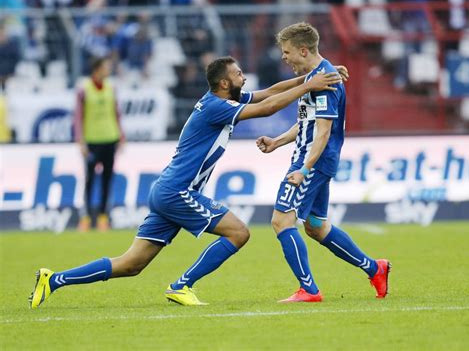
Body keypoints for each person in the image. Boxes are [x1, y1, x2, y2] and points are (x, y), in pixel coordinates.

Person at [29, 56, 343, 308]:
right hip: (178, 192)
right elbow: (266, 107)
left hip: (166, 190)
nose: (244, 78)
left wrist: (314, 77)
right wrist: (308, 86)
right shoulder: (217, 107)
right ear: (224, 83)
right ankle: (182, 286)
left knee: (131, 264)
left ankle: (54, 280)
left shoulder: (220, 100)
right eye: (239, 74)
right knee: (238, 232)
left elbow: (269, 92)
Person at [256, 22, 391, 303]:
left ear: (303, 50)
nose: (284, 58)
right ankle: (374, 268)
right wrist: (277, 142)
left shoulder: (325, 82)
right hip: (313, 160)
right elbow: (307, 123)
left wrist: (304, 170)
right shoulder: (316, 76)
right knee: (316, 226)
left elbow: (323, 132)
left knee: (282, 221)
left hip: (312, 163)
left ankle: (309, 290)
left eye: (287, 52)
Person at [74, 56, 125, 232]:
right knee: (89, 180)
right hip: (92, 141)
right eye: (105, 67)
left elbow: (116, 113)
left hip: (109, 138)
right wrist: (80, 141)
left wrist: (121, 136)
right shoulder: (84, 89)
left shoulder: (111, 88)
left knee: (106, 180)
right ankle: (86, 217)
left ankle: (103, 217)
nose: (108, 70)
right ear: (97, 69)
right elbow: (78, 116)